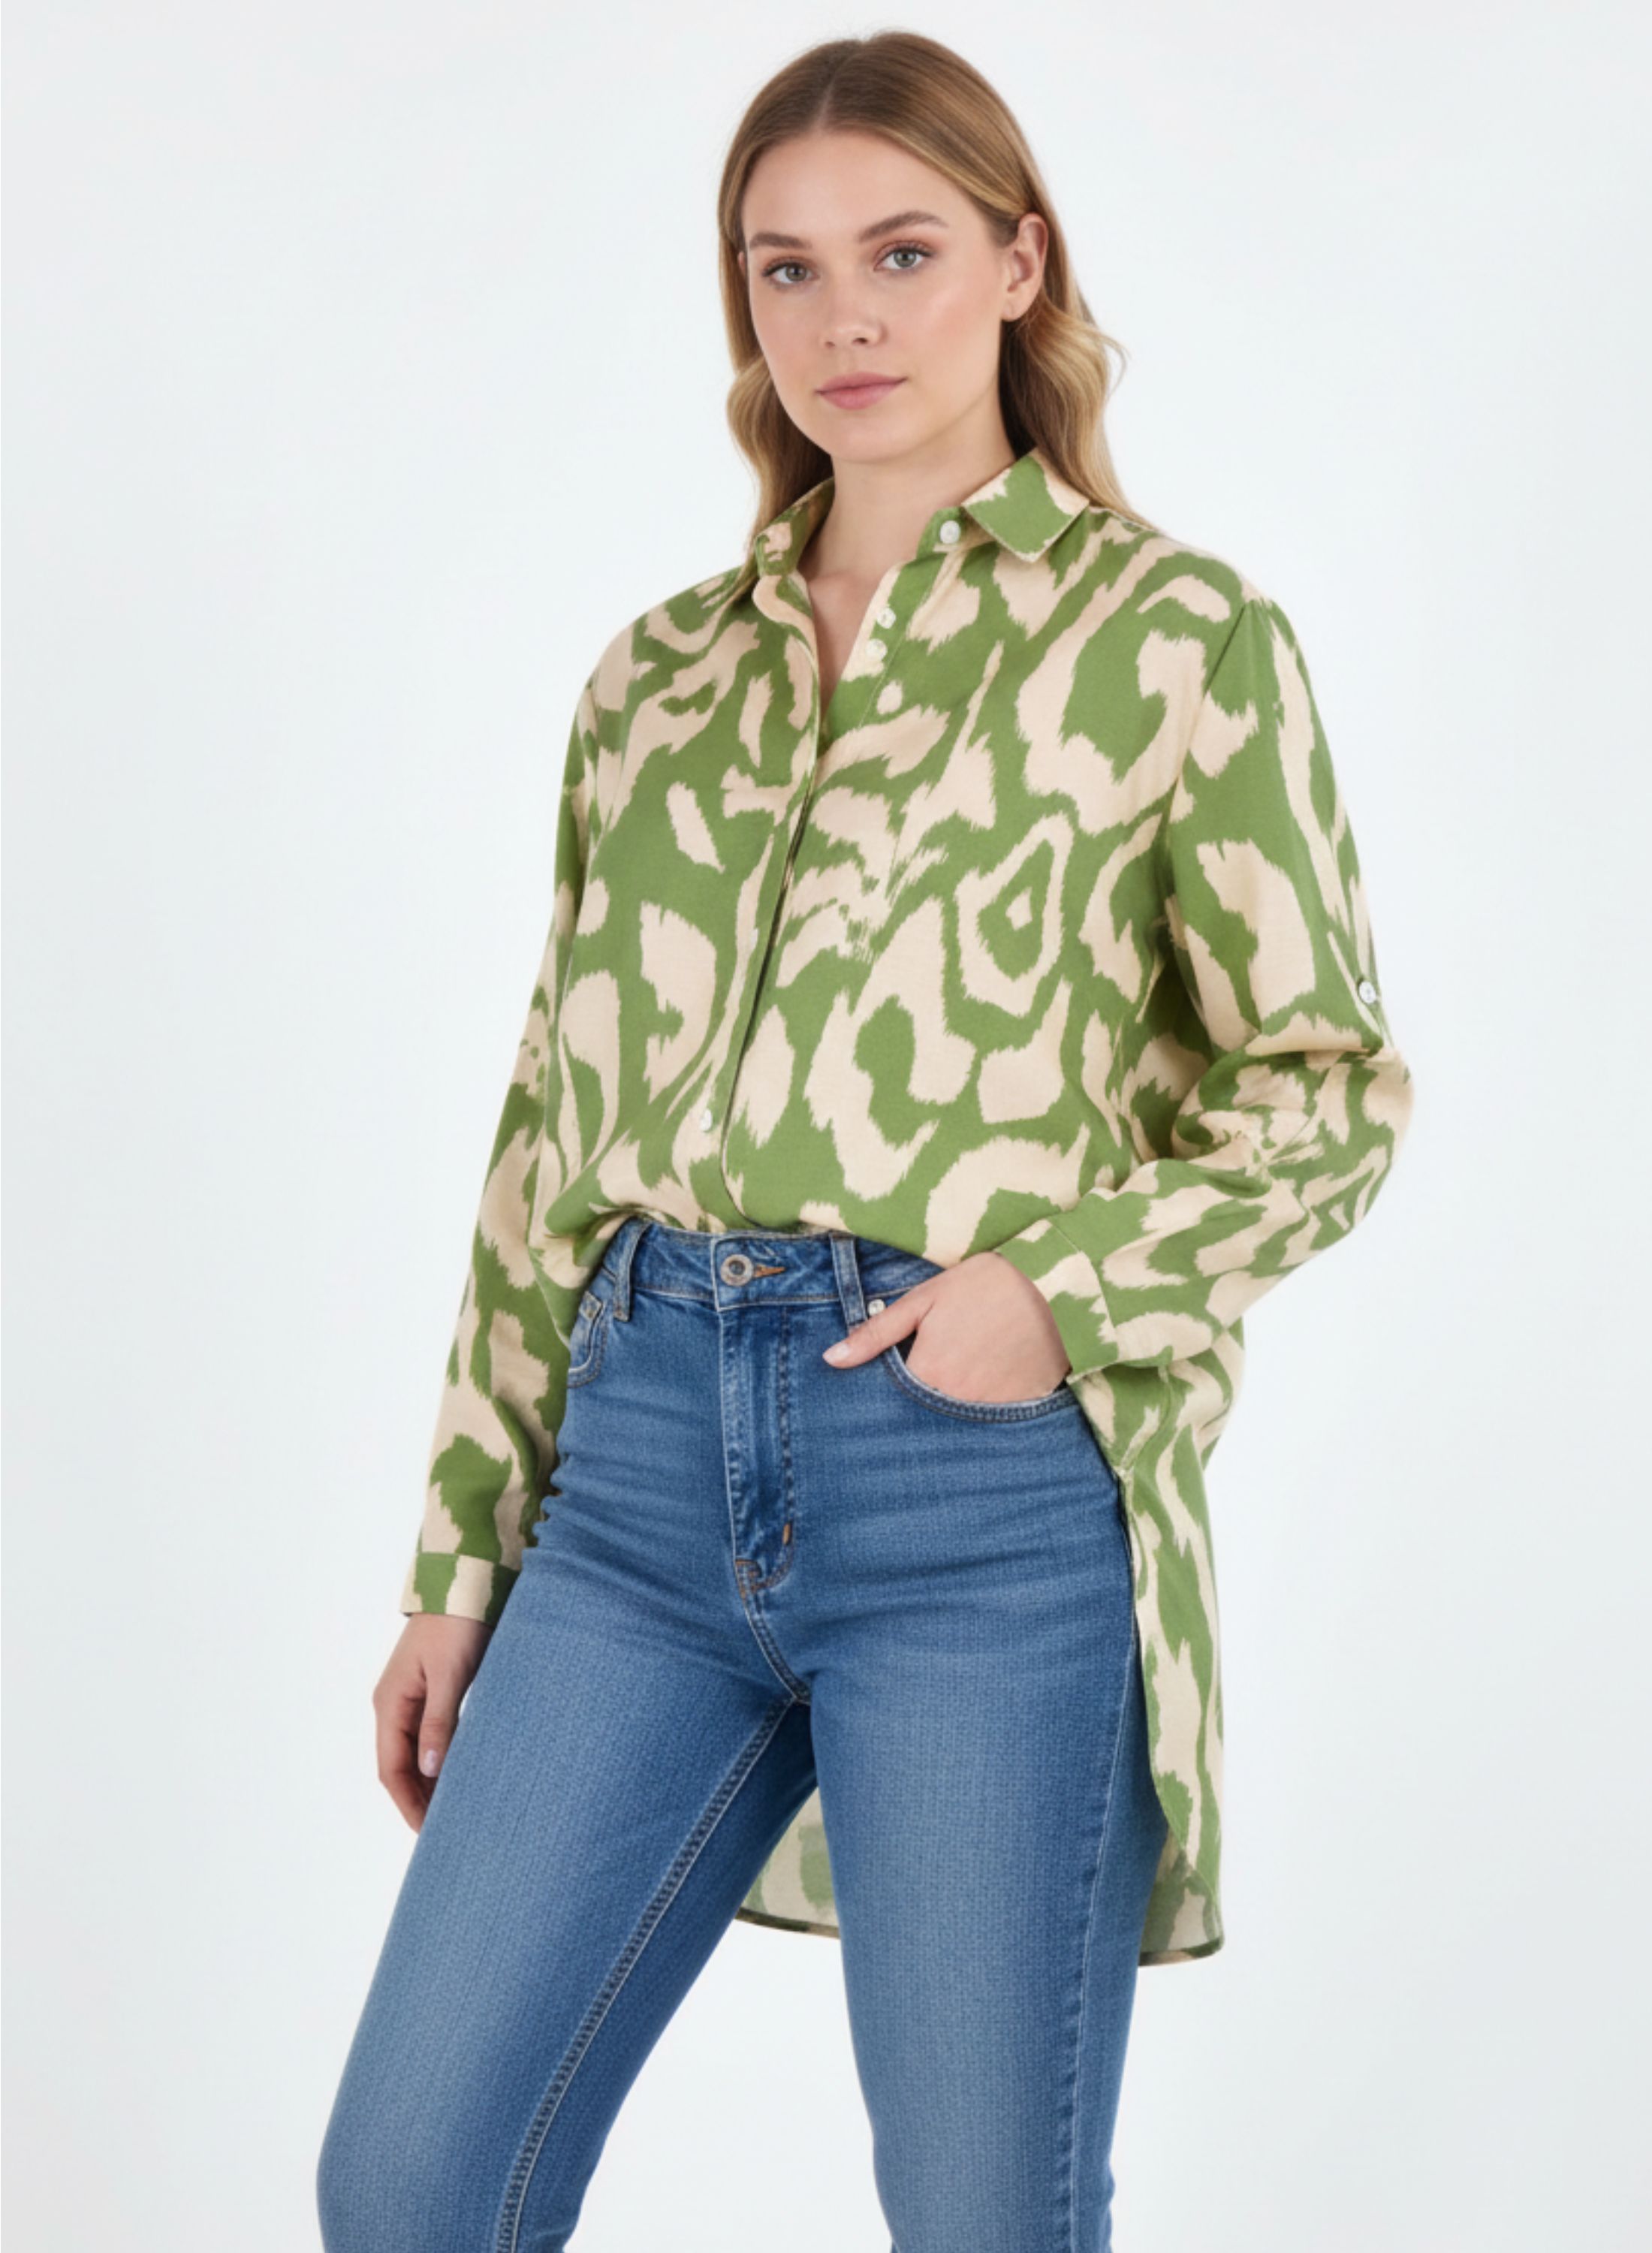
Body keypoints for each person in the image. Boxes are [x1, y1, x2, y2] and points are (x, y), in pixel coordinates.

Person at [316, 30, 1415, 2253]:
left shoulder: (1178, 643)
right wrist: (461, 1554)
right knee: (414, 2183)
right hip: (629, 1489)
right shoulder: (657, 680)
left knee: (986, 2219)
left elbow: (1329, 1088)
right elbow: (547, 1127)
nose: (844, 319)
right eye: (786, 268)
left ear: (1021, 264)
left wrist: (1051, 1297)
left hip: (975, 1499)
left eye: (903, 254)